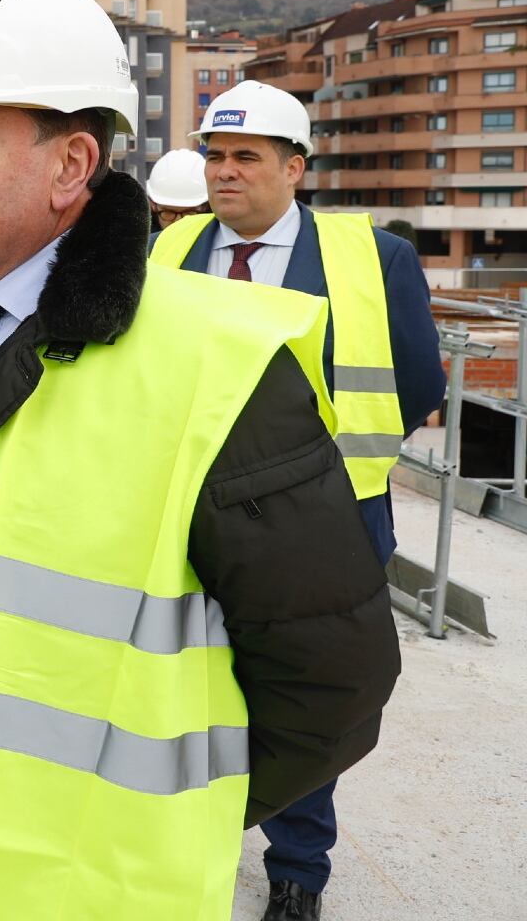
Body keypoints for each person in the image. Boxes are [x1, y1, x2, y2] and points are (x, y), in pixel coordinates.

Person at [0, 0, 401, 920]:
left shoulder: (215, 370)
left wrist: (170, 814)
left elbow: (333, 678)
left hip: (65, 892)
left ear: (73, 164)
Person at [150, 77, 444, 920]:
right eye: (215, 155)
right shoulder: (170, 253)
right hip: (192, 507)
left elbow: (416, 380)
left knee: (309, 690)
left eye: (246, 157)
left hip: (328, 516)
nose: (225, 172)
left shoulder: (372, 258)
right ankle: (192, 831)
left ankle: (298, 868)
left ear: (294, 168)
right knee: (183, 673)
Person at [145, 146, 209, 229]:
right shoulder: (138, 238)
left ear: (206, 208)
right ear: (153, 205)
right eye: (169, 212)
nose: (178, 222)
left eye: (189, 213)